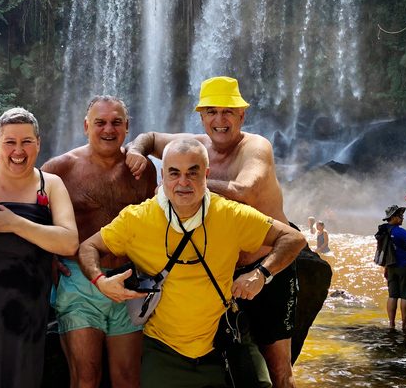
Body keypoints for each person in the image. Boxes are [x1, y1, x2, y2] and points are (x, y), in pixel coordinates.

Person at [79, 138, 307, 388]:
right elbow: (88, 247)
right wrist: (100, 281)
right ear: (162, 177)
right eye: (174, 173)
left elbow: (293, 237)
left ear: (207, 175)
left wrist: (262, 273)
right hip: (164, 350)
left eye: (193, 173)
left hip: (223, 341)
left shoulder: (229, 214)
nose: (183, 182)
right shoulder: (137, 219)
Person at [125, 76, 300, 388]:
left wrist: (176, 184)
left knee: (278, 370)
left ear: (242, 116)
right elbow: (149, 137)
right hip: (219, 276)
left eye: (228, 112)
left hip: (266, 268)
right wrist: (135, 150)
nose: (220, 120)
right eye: (211, 112)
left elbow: (244, 191)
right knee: (226, 365)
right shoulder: (196, 146)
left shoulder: (255, 146)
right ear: (201, 116)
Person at [0, 108, 79, 388]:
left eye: (26, 142)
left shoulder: (51, 186)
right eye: (10, 142)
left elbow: (70, 242)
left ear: (38, 144)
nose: (18, 150)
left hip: (28, 308)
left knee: (22, 377)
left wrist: (14, 224)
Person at [42, 95, 157, 388]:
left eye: (116, 122)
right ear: (85, 126)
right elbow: (38, 218)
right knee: (85, 378)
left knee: (129, 379)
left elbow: (153, 222)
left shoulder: (142, 170)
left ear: (127, 126)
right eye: (100, 122)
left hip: (130, 278)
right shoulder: (59, 169)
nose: (108, 129)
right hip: (79, 283)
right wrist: (48, 259)